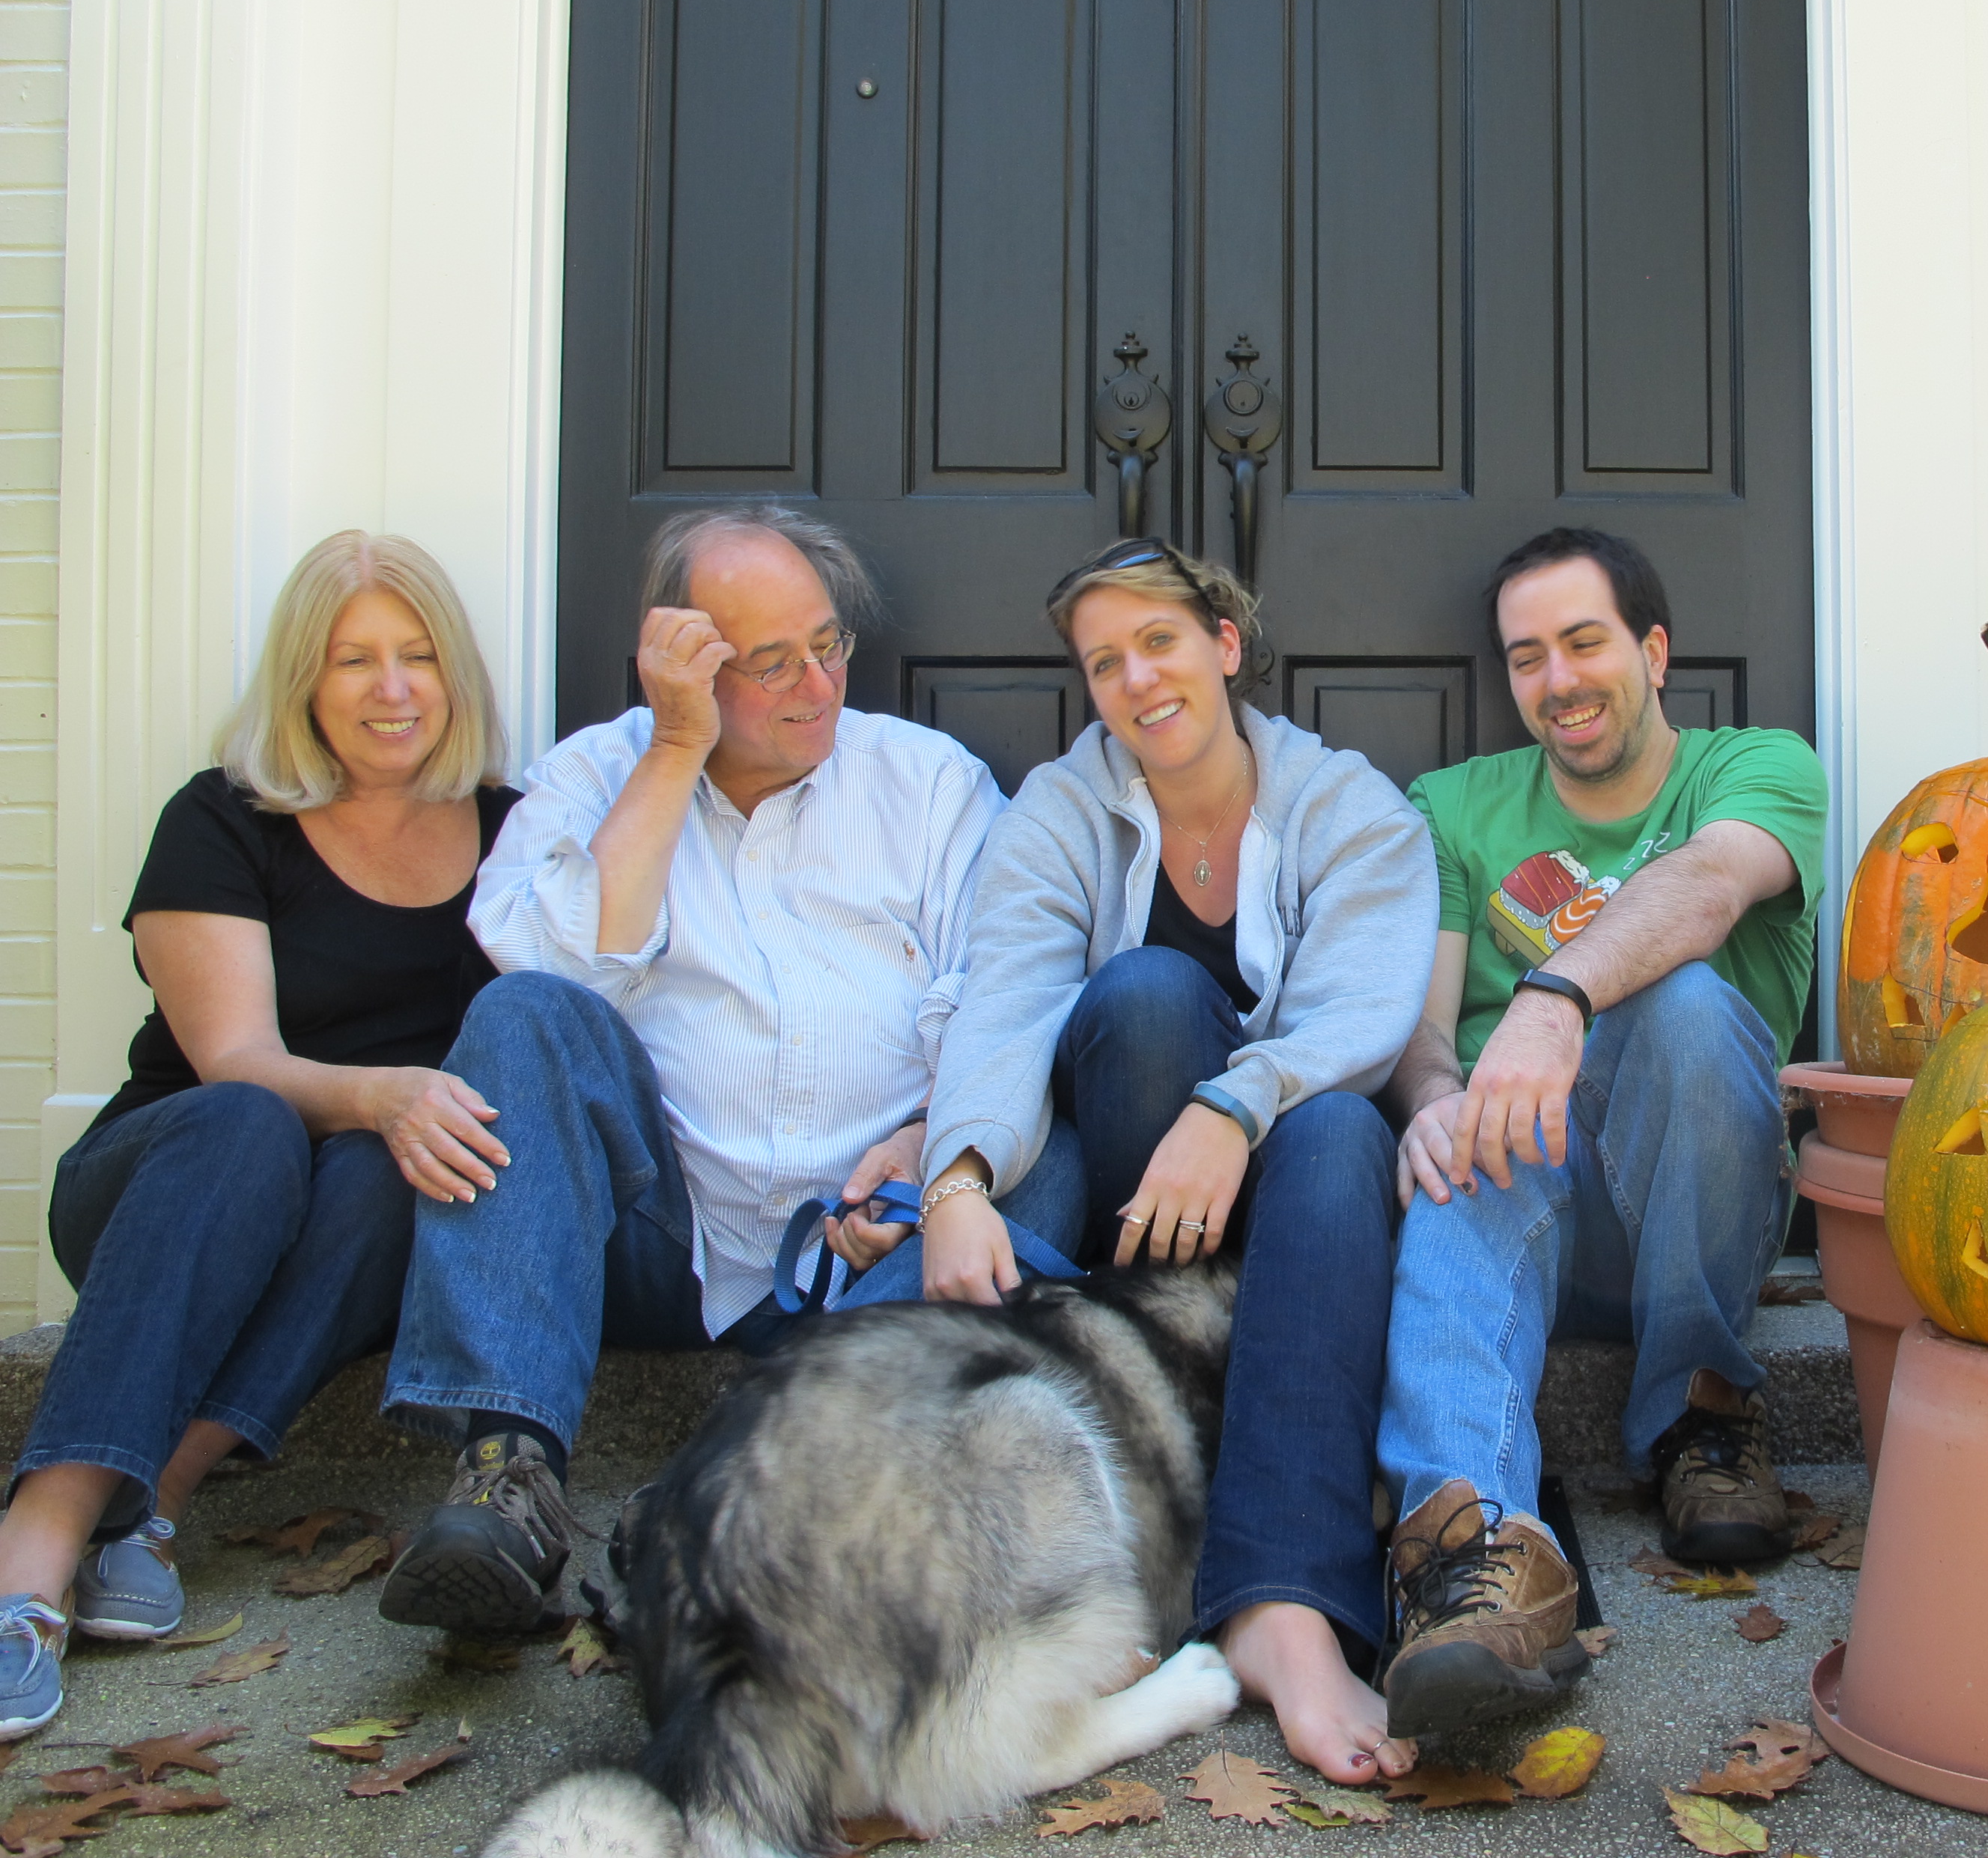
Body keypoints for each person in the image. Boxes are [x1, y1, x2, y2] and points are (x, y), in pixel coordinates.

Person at [374, 508, 1032, 1636]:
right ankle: (507, 1479)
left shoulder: (927, 784)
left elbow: (1001, 992)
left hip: (876, 1232)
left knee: (1025, 1140)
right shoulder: (594, 775)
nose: (817, 685)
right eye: (771, 663)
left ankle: (715, 1501)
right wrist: (676, 751)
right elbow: (556, 970)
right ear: (684, 664)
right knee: (522, 1016)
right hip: (663, 1239)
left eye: (827, 645)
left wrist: (930, 1142)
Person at [919, 539, 1436, 1785]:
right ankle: (1130, 1469)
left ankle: (1284, 1610)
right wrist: (956, 1179)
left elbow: (1366, 1014)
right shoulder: (1061, 810)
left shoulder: (1347, 805)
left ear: (1225, 644)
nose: (1138, 679)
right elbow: (1006, 1001)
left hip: (1298, 1203)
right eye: (1106, 662)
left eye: (1159, 641)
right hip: (1131, 1202)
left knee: (1339, 1129)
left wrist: (1234, 1108)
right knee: (1146, 993)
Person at [0, 534, 519, 1737]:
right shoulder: (224, 819)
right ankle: (39, 1543)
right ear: (303, 679)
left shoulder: (511, 830)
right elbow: (235, 1059)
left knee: (410, 1166)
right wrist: (384, 1091)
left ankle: (152, 1507)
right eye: (354, 659)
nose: (393, 688)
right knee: (254, 1119)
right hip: (172, 1187)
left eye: (418, 655)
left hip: (346, 1224)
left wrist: (397, 1116)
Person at [1373, 527, 1829, 1737]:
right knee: (1462, 1130)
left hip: (1696, 1202)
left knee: (1685, 1004)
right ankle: (1472, 1555)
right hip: (1522, 1200)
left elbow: (1712, 886)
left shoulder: (1759, 768)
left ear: (1655, 652)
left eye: (1585, 643)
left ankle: (1700, 1419)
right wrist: (1433, 1100)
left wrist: (1554, 1000)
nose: (1559, 680)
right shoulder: (1453, 806)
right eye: (1528, 657)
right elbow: (1423, 1029)